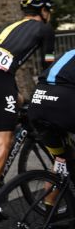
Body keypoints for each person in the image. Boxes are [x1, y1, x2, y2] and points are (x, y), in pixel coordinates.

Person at [0, 0, 55, 211]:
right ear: (44, 11)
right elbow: (48, 69)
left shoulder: (12, 27)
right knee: (5, 138)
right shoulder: (45, 29)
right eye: (49, 11)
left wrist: (23, 99)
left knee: (18, 103)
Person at [28, 49, 75, 178]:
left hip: (38, 98)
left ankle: (49, 199)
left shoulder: (69, 53)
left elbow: (48, 58)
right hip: (64, 101)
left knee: (61, 162)